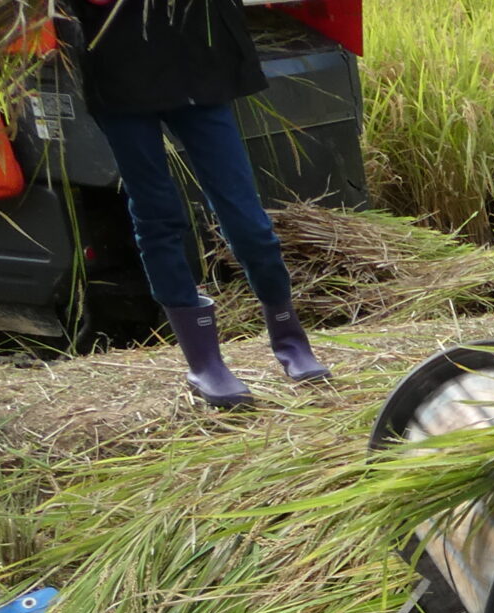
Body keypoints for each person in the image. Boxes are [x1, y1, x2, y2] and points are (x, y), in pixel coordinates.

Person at [64, 0, 327, 408]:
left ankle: (289, 337)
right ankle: (204, 363)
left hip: (197, 67)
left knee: (247, 221)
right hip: (121, 70)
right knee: (158, 214)